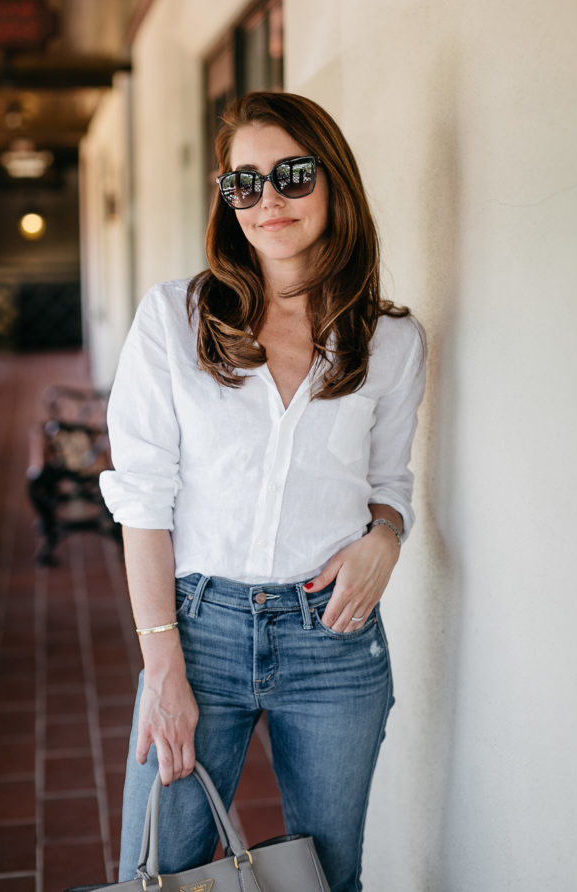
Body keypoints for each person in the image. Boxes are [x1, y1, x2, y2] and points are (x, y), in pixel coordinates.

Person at [99, 91, 426, 892]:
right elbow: (143, 501)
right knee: (161, 872)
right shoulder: (175, 320)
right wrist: (163, 668)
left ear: (334, 182)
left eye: (291, 174)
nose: (267, 199)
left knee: (326, 876)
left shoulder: (391, 342)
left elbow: (388, 486)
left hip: (334, 640)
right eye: (243, 182)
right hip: (197, 632)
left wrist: (386, 535)